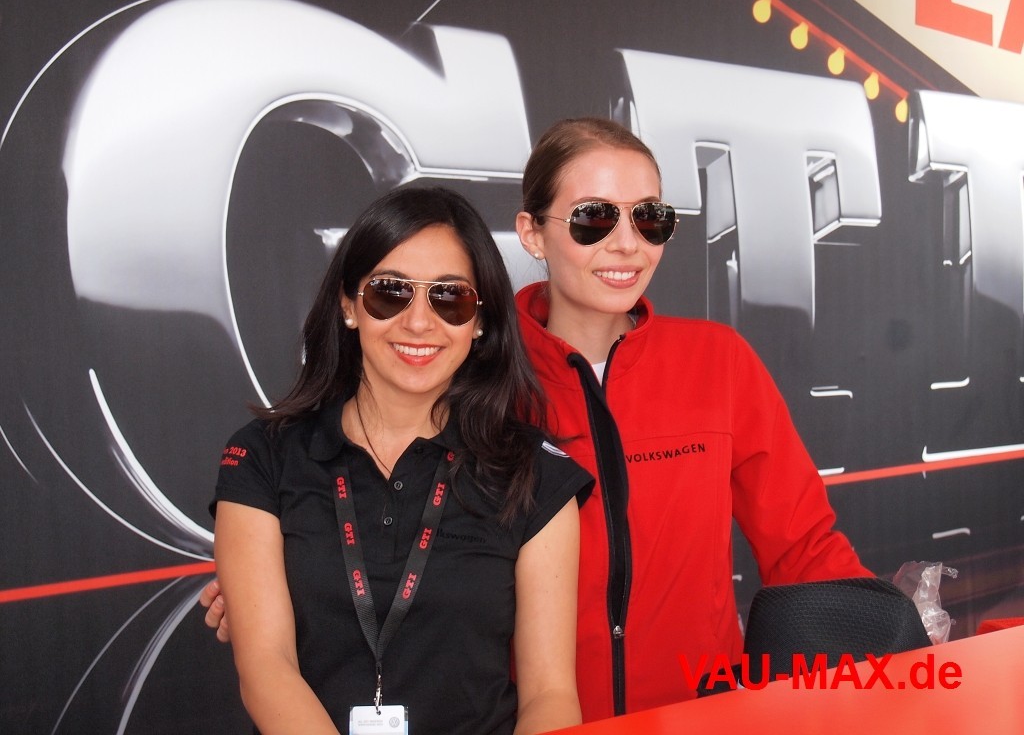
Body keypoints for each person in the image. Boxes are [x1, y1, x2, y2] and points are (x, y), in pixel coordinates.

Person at [204, 118, 872, 723]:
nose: (626, 244)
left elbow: (805, 548)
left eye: (650, 218)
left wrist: (888, 653)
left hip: (696, 719)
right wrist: (281, 578)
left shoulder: (718, 363)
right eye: (593, 218)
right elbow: (385, 513)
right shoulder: (464, 367)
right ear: (532, 233)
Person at [210, 185, 593, 735]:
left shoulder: (535, 473)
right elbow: (266, 668)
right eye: (390, 292)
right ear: (348, 305)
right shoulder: (262, 457)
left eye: (450, 298)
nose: (418, 323)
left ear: (480, 321)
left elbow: (550, 695)